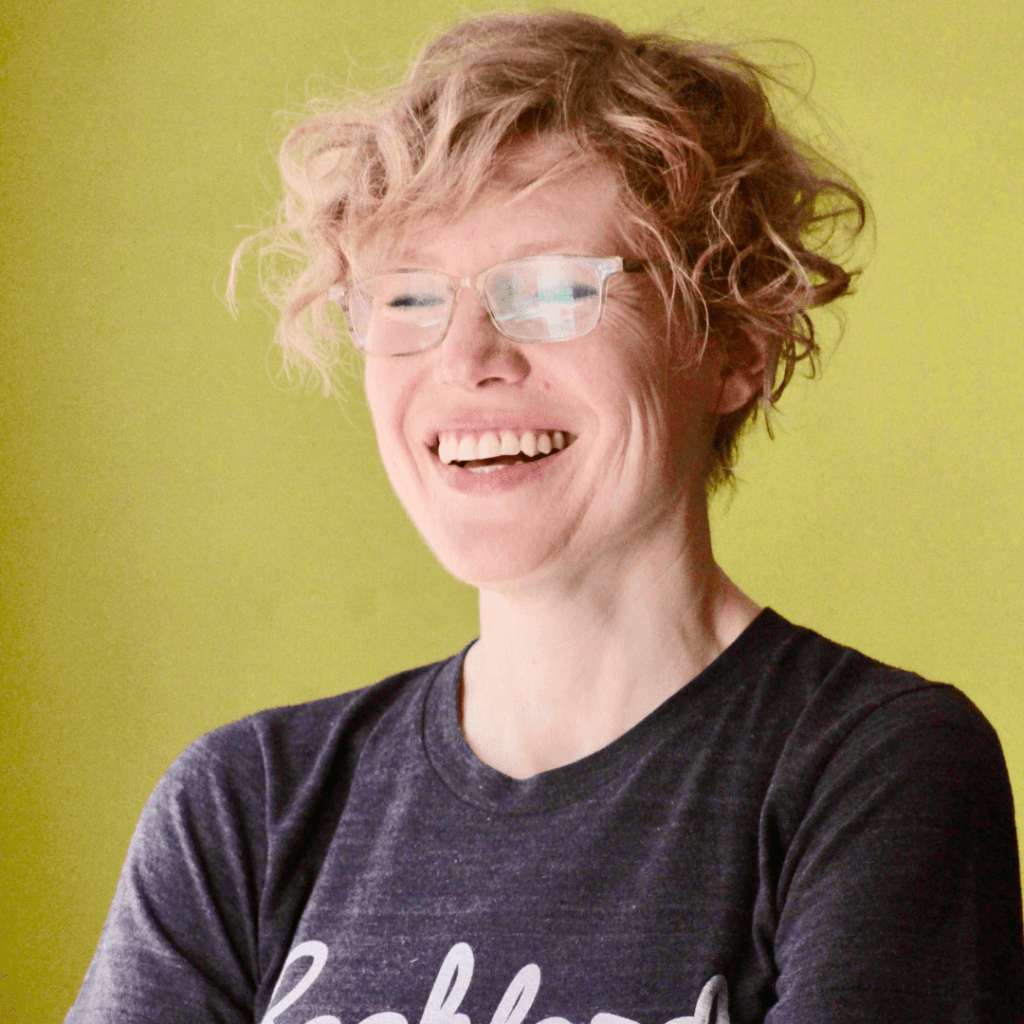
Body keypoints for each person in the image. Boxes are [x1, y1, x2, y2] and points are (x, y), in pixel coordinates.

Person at [66, 11, 1024, 1024]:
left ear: (735, 341)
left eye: (556, 289)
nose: (467, 356)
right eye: (406, 300)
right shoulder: (244, 807)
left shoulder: (869, 769)